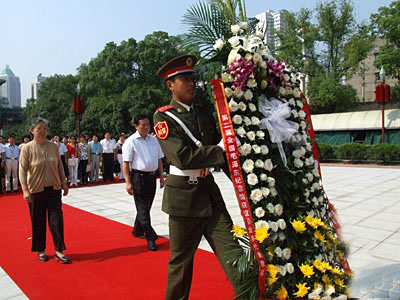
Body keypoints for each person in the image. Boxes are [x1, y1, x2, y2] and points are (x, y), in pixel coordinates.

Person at [153, 55, 242, 300]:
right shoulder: (163, 118)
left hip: (209, 195)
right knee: (180, 264)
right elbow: (182, 157)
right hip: (183, 199)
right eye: (184, 79)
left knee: (234, 254)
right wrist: (220, 150)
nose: (192, 84)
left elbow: (222, 155)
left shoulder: (203, 114)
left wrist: (245, 184)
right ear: (170, 84)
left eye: (193, 79)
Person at [19, 117, 70, 263]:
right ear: (32, 131)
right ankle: (40, 249)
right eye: (39, 128)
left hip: (54, 188)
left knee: (56, 220)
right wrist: (25, 190)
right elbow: (22, 170)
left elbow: (60, 166)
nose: (42, 131)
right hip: (36, 190)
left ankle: (59, 250)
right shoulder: (27, 148)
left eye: (44, 128)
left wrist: (64, 183)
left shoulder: (53, 146)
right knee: (38, 221)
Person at [122, 115, 165, 251]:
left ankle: (137, 230)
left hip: (151, 177)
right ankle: (151, 236)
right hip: (138, 177)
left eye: (148, 124)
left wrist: (162, 176)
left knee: (147, 206)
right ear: (136, 126)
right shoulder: (131, 141)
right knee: (142, 208)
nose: (146, 127)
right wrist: (128, 182)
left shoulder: (154, 140)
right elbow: (126, 163)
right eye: (143, 125)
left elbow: (159, 159)